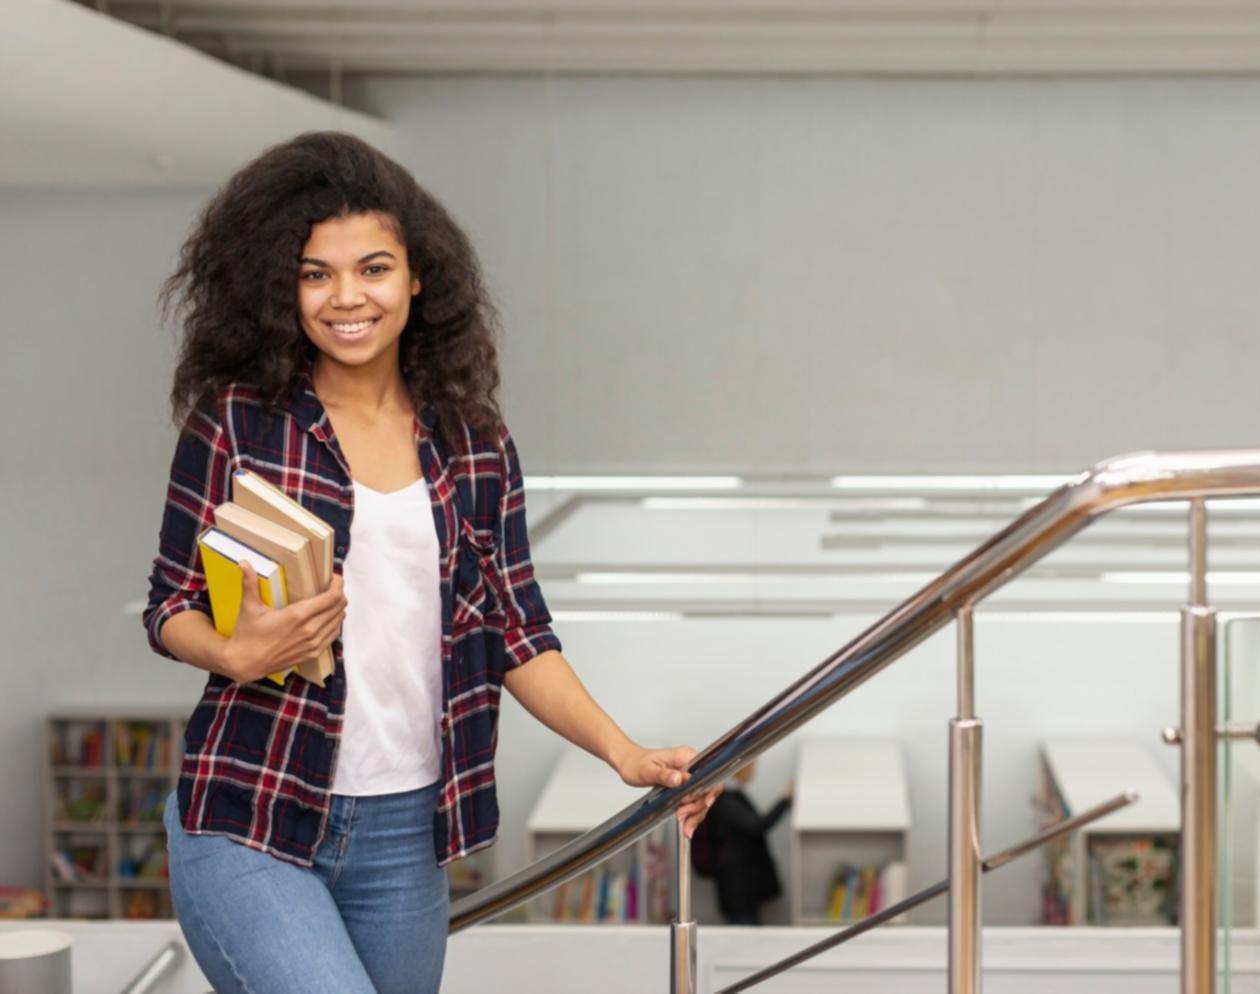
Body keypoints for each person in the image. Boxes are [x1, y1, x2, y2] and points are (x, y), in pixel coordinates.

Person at [143, 131, 720, 994]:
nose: (346, 297)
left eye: (373, 268)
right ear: (281, 288)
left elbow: (518, 634)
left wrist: (624, 754)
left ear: (417, 278)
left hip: (404, 836)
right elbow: (169, 605)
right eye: (314, 273)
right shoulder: (239, 422)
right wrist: (234, 651)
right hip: (248, 812)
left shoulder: (475, 444)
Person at [703, 761, 791, 925]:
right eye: (752, 767)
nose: (754, 771)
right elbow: (757, 825)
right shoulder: (725, 801)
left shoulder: (734, 796)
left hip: (744, 886)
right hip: (736, 888)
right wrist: (785, 800)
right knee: (742, 935)